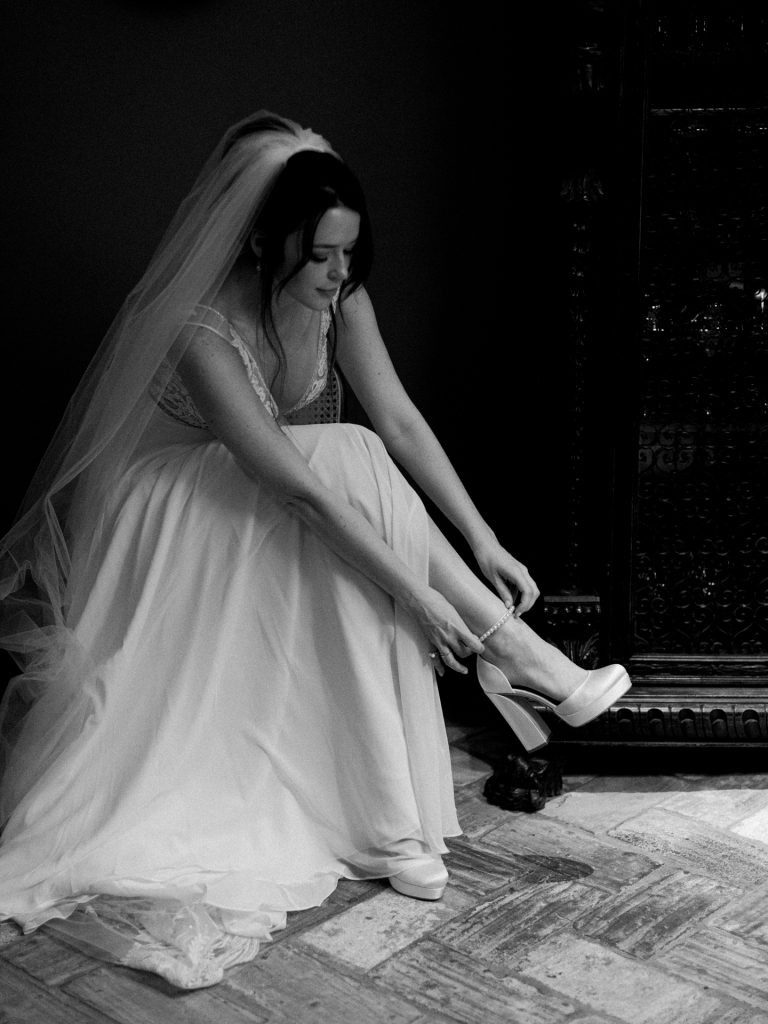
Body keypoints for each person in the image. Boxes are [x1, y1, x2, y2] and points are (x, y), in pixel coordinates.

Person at [0, 112, 631, 988]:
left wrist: (484, 543)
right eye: (321, 256)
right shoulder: (195, 325)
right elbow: (290, 486)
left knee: (359, 455)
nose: (339, 275)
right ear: (264, 243)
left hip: (287, 500)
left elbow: (401, 420)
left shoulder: (343, 298)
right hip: (170, 517)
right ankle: (505, 658)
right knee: (343, 460)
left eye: (349, 254)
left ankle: (390, 810)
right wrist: (420, 595)